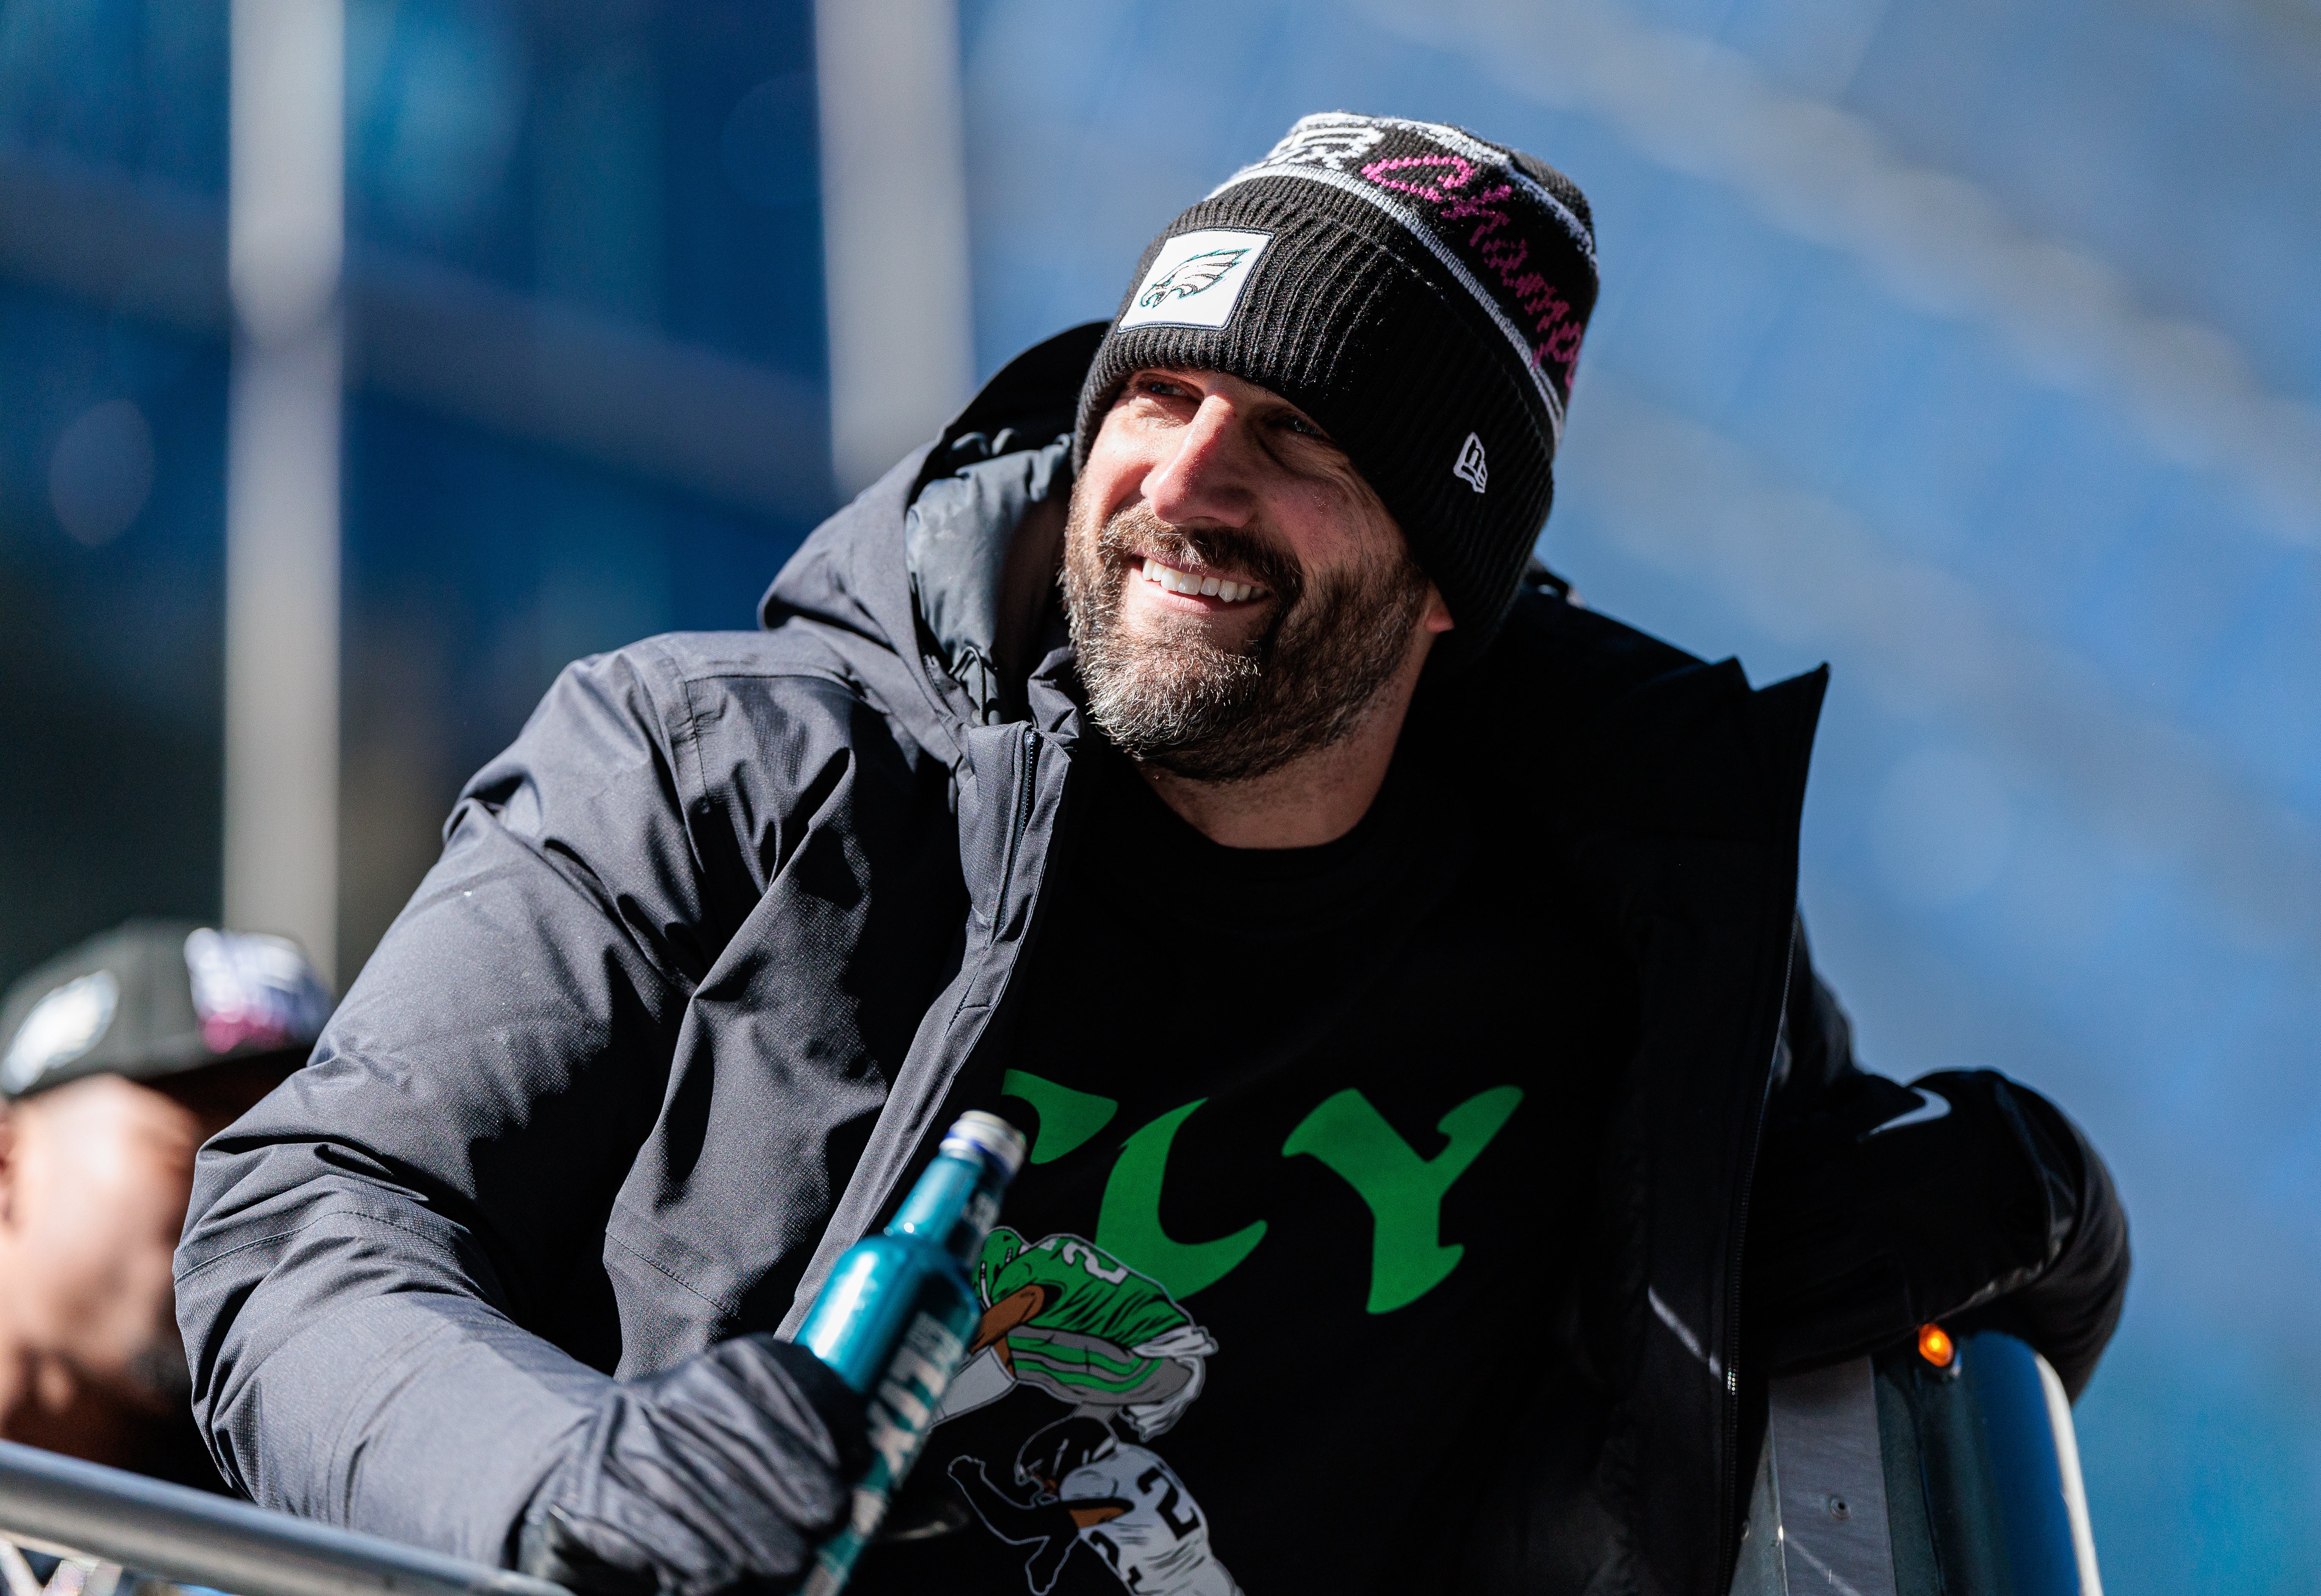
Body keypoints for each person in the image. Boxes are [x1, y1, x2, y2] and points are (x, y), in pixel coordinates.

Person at [176, 113, 2128, 1596]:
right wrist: (568, 1481)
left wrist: (2053, 1216)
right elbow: (304, 1226)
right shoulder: (713, 766)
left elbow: (1906, 1323)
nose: (1182, 482)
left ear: (1446, 578)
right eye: (1157, 394)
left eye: (1294, 437)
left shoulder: (1619, 959)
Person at [0, 922, 326, 1489]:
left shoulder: (310, 1537)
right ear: (7, 1164)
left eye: (303, 1168)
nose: (260, 1200)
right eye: (194, 1144)